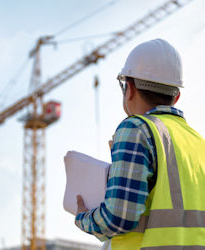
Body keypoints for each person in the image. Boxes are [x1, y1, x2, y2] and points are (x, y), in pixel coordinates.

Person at [74, 39, 205, 249]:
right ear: (177, 95)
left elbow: (118, 218)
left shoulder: (135, 129)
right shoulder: (198, 142)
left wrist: (83, 218)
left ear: (130, 88)